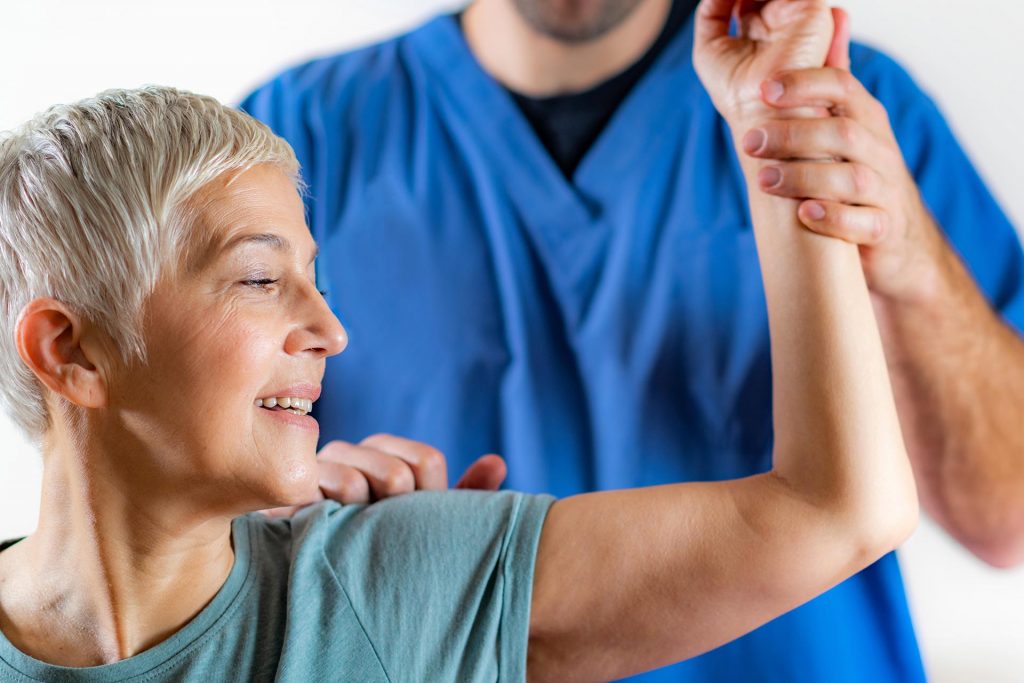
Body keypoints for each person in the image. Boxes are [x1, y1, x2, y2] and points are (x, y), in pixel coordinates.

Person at [0, 4, 918, 680]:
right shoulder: (328, 110)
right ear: (71, 351)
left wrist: (782, 120)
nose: (330, 329)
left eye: (318, 280)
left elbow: (842, 509)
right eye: (259, 278)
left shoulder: (388, 576)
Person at [240, 0, 1024, 680]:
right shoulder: (294, 144)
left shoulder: (836, 106)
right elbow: (168, 526)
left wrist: (910, 256)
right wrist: (284, 513)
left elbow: (1008, 514)